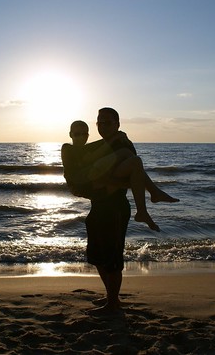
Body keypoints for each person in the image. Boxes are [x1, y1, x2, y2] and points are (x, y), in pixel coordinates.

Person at [61, 107, 178, 314]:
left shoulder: (123, 144)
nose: (102, 126)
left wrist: (108, 182)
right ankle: (110, 297)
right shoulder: (91, 147)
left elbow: (132, 176)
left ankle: (113, 303)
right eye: (100, 123)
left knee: (113, 259)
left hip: (115, 208)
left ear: (117, 124)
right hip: (98, 205)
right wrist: (105, 182)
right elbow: (117, 176)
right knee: (97, 256)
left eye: (107, 123)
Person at [61, 120, 178, 231]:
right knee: (126, 155)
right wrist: (114, 138)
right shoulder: (67, 148)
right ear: (70, 134)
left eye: (84, 134)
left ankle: (143, 209)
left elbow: (96, 148)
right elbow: (90, 157)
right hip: (81, 182)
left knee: (134, 163)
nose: (81, 137)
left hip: (93, 183)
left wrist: (115, 138)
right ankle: (153, 193)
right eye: (77, 134)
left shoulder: (86, 148)